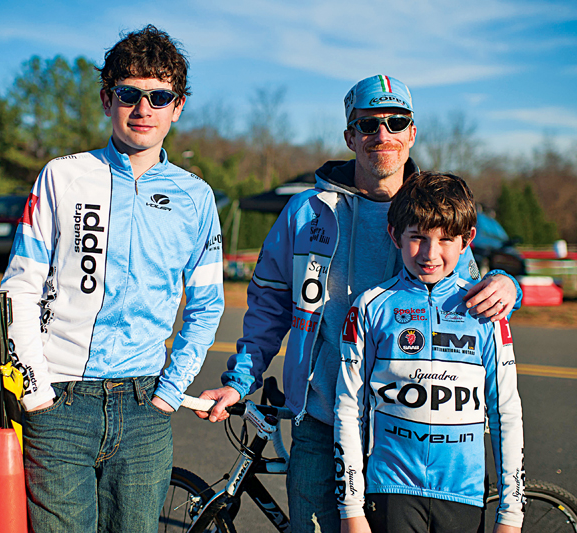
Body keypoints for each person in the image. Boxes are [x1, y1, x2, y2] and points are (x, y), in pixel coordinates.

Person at [198, 74, 521, 532]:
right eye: (369, 125)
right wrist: (240, 380)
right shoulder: (305, 212)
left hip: (407, 433)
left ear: (412, 133)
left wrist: (509, 285)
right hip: (323, 418)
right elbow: (269, 307)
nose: (382, 135)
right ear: (350, 135)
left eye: (396, 122)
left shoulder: (432, 217)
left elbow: (470, 300)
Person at [0, 25, 224, 533]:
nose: (144, 108)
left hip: (146, 407)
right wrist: (36, 391)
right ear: (108, 99)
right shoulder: (64, 175)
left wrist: (171, 390)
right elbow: (20, 286)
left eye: (159, 96)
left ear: (178, 106)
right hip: (60, 403)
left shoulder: (197, 197)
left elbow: (207, 304)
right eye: (129, 94)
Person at [334, 171, 524, 533]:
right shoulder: (371, 307)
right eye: (417, 238)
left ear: (467, 239)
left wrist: (511, 516)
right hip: (390, 491)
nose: (430, 254)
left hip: (463, 495)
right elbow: (349, 411)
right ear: (395, 235)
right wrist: (351, 509)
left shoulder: (485, 310)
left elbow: (506, 414)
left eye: (445, 239)